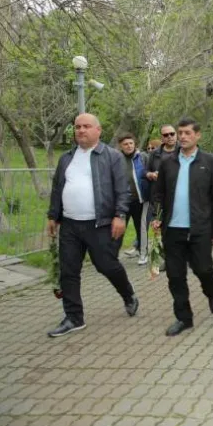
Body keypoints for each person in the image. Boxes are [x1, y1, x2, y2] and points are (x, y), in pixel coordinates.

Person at [46, 113, 138, 337]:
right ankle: (74, 318)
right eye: (77, 127)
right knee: (68, 271)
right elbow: (58, 188)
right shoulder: (66, 158)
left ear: (98, 130)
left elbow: (123, 190)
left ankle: (128, 294)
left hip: (100, 224)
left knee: (106, 265)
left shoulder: (112, 156)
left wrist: (120, 215)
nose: (81, 130)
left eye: (86, 126)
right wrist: (53, 216)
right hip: (70, 224)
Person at [152, 118, 213, 336]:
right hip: (173, 229)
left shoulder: (210, 162)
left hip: (200, 228)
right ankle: (184, 318)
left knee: (203, 269)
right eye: (180, 132)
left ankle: (212, 292)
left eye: (187, 133)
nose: (182, 137)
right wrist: (157, 217)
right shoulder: (168, 162)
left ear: (197, 135)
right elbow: (158, 194)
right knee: (175, 276)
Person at [117, 133, 150, 266]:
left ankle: (143, 253)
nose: (129, 146)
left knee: (141, 228)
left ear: (135, 144)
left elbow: (150, 172)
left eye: (131, 143)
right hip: (123, 201)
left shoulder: (143, 157)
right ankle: (113, 254)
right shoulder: (117, 159)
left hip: (141, 200)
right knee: (119, 228)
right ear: (121, 146)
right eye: (125, 144)